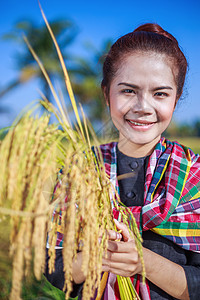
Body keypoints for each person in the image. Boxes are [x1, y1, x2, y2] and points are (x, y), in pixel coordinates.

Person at [45, 23, 200, 299]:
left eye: (160, 94)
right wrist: (96, 256)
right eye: (128, 91)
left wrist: (143, 262)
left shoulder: (194, 175)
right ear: (107, 94)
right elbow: (56, 270)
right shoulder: (80, 170)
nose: (142, 106)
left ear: (175, 101)